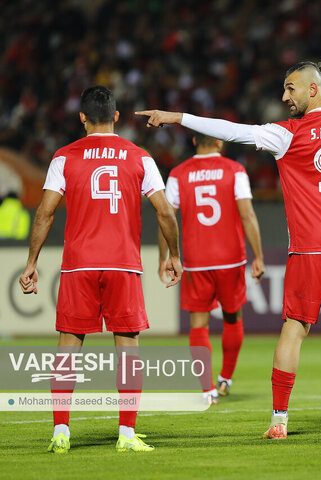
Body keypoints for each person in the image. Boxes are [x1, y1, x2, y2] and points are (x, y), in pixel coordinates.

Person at [138, 61, 321, 439]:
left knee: (293, 329)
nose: (284, 96)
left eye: (291, 89)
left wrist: (178, 117)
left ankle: (279, 420)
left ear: (313, 89)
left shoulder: (287, 135)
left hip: (308, 249)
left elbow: (231, 132)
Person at [18, 86, 182, 453]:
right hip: (123, 264)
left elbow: (45, 212)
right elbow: (165, 211)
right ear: (117, 117)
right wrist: (174, 254)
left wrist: (31, 263)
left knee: (67, 348)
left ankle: (61, 432)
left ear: (82, 118)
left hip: (78, 266)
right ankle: (126, 434)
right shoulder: (139, 157)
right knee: (128, 349)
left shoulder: (64, 157)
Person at [159, 133, 265, 404]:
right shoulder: (235, 170)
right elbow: (247, 214)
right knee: (233, 318)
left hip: (196, 261)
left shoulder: (179, 174)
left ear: (194, 141)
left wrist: (168, 257)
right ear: (220, 142)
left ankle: (207, 390)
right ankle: (225, 379)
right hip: (231, 259)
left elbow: (166, 217)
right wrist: (258, 256)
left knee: (199, 324)